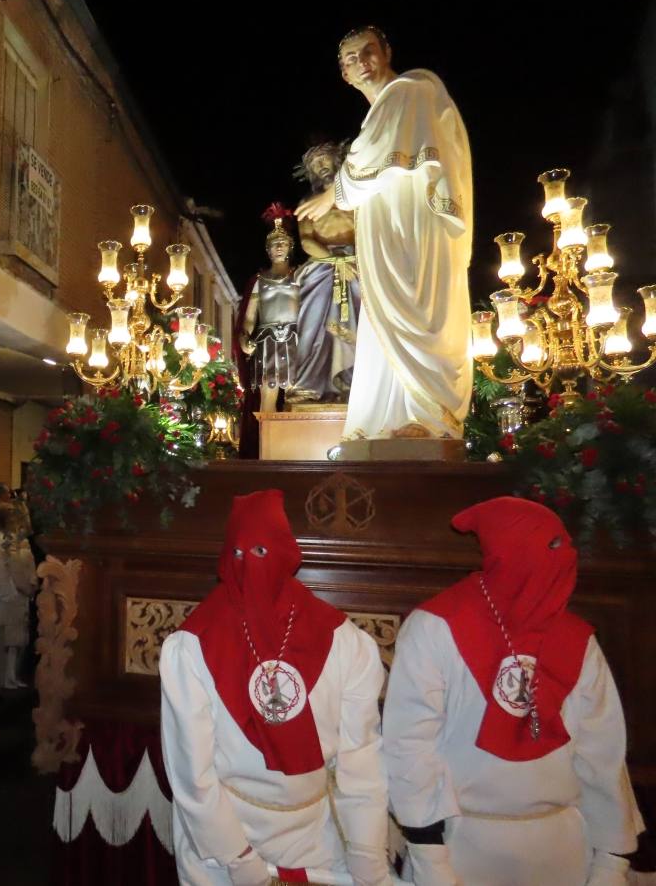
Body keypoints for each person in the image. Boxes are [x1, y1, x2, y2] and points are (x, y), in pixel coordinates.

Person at [383, 497, 644, 886]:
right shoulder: (435, 628)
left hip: (564, 849)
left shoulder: (576, 640)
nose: (569, 555)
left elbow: (603, 752)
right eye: (553, 544)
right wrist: (428, 854)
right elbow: (410, 745)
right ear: (512, 549)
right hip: (462, 845)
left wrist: (612, 859)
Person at [159, 490, 391, 886]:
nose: (249, 566)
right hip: (224, 839)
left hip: (318, 833)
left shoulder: (344, 641)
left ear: (287, 553)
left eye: (263, 551)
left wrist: (367, 851)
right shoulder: (191, 646)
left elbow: (361, 755)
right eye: (238, 554)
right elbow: (191, 771)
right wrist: (236, 856)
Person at [297, 25, 472, 443]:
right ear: (344, 74)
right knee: (381, 315)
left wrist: (333, 193)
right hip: (381, 232)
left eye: (368, 51)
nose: (362, 62)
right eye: (351, 59)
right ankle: (384, 419)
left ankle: (428, 416)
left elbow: (371, 154)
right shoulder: (379, 116)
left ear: (387, 52)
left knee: (414, 304)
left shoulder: (413, 89)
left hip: (414, 224)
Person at [291, 141, 361, 403]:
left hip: (357, 262)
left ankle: (355, 381)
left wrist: (351, 261)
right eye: (315, 164)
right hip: (320, 266)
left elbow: (368, 228)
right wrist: (336, 261)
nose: (321, 167)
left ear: (337, 161)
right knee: (310, 321)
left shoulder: (356, 197)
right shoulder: (308, 202)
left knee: (365, 314)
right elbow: (307, 241)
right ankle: (308, 382)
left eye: (324, 160)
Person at [238, 206, 301, 414]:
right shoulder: (259, 281)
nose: (279, 247)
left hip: (296, 339)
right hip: (267, 341)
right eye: (275, 244)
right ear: (268, 250)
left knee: (297, 393)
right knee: (268, 392)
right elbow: (249, 316)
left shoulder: (299, 277)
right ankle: (269, 444)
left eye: (283, 243)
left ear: (290, 247)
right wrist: (244, 337)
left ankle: (295, 442)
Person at [0, 506, 36, 690]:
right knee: (0, 645)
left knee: (12, 641)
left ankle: (8, 677)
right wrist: (10, 592)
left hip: (6, 598)